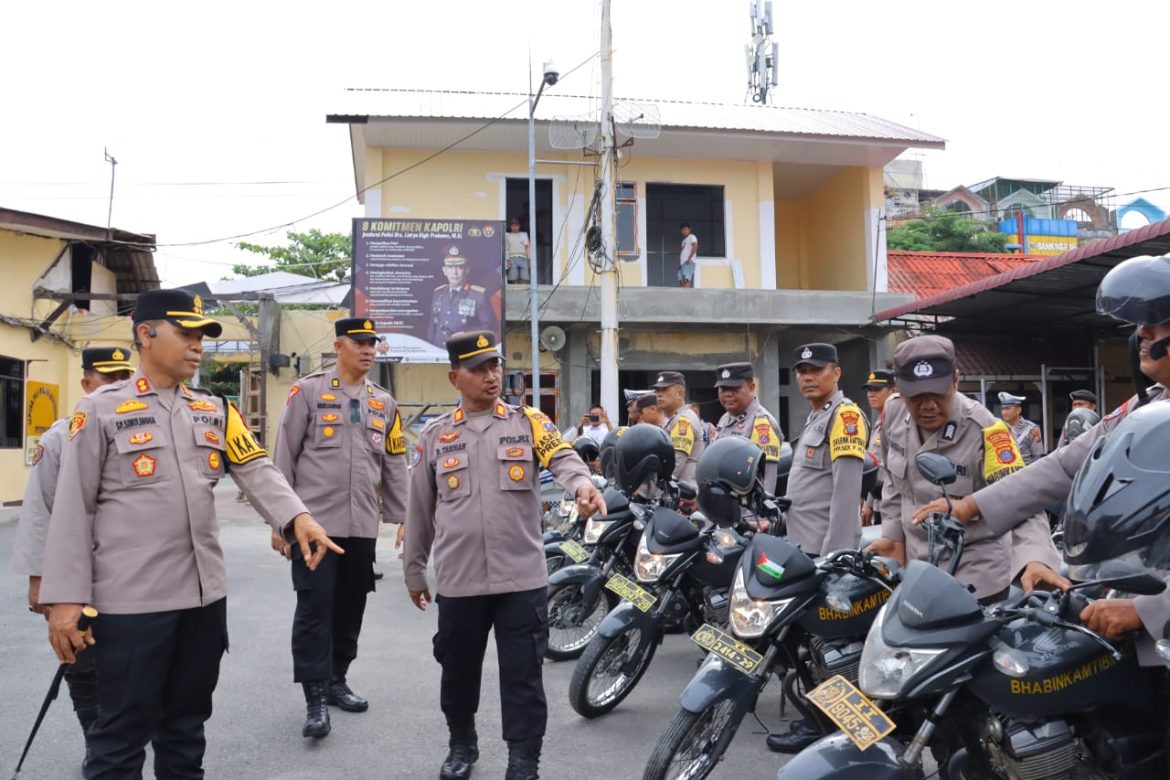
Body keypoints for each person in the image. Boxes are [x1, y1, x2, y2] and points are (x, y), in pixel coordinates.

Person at [39, 289, 340, 779]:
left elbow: (256, 468)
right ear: (145, 334)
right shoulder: (99, 412)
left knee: (186, 729)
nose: (197, 344)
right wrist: (64, 600)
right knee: (120, 734)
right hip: (131, 606)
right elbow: (71, 510)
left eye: (202, 335)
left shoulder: (215, 409)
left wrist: (296, 517)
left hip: (202, 603)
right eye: (185, 333)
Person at [914, 253, 1170, 663]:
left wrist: (1148, 611)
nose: (1141, 335)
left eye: (1154, 324)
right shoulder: (1146, 409)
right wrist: (971, 505)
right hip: (1134, 595)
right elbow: (1066, 465)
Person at [403, 330, 605, 780]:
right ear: (456, 377)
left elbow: (563, 458)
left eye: (495, 366)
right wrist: (415, 572)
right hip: (460, 579)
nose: (492, 376)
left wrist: (583, 486)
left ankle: (523, 760)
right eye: (479, 369)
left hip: (522, 579)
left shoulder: (529, 422)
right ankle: (462, 745)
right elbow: (418, 512)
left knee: (523, 677)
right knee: (457, 673)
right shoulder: (435, 437)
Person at [270, 317, 408, 738]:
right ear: (338, 346)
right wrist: (281, 521)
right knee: (314, 610)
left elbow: (395, 463)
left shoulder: (384, 402)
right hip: (313, 525)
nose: (368, 349)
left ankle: (336, 680)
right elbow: (283, 456)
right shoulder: (307, 392)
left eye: (373, 343)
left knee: (351, 607)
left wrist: (405, 517)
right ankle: (314, 698)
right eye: (359, 342)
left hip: (361, 524)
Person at [9, 347, 133, 769]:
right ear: (86, 383)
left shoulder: (139, 431)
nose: (118, 386)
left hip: (131, 575)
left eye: (124, 378)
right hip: (75, 575)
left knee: (132, 664)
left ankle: (122, 738)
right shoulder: (60, 437)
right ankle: (95, 741)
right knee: (82, 664)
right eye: (108, 378)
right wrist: (39, 579)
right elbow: (40, 509)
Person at [784, 343, 867, 557]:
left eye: (817, 370)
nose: (808, 378)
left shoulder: (845, 416)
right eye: (802, 372)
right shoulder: (817, 416)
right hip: (802, 545)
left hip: (823, 551)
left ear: (836, 373)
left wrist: (835, 556)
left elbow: (847, 495)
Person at [712, 362, 783, 494]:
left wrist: (762, 512)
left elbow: (767, 477)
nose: (727, 394)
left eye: (734, 388)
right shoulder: (725, 419)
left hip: (746, 510)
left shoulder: (761, 423)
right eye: (723, 389)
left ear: (751, 387)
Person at [429, 246, 497, 347]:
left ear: (467, 270)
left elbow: (490, 327)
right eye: (450, 267)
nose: (454, 272)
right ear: (444, 271)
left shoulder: (478, 295)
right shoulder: (438, 293)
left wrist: (467, 335)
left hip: (463, 351)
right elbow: (432, 327)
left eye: (459, 267)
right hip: (438, 350)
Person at [653, 371, 706, 486]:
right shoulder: (674, 419)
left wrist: (654, 488)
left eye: (665, 390)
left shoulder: (683, 420)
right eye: (657, 390)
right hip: (676, 489)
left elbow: (675, 462)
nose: (659, 394)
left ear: (680, 394)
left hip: (684, 495)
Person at [860, 369, 896, 526]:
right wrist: (869, 503)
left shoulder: (897, 422)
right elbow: (875, 466)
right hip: (878, 501)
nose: (871, 394)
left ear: (893, 391)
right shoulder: (880, 421)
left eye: (877, 390)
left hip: (893, 503)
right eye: (869, 390)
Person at [998, 391, 1045, 464]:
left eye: (1007, 409)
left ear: (1018, 410)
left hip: (1025, 472)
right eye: (1002, 409)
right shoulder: (998, 429)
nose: (1004, 412)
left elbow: (1037, 456)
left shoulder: (1031, 429)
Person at [504, 217, 531, 284]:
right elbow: (506, 248)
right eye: (513, 226)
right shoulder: (508, 236)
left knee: (525, 278)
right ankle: (516, 292)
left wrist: (529, 259)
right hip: (512, 258)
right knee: (514, 277)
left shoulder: (524, 235)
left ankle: (522, 292)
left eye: (516, 225)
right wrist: (507, 260)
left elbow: (528, 247)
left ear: (519, 226)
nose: (515, 227)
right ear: (510, 227)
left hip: (523, 258)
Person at [678, 223, 698, 288]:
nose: (684, 231)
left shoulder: (692, 237)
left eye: (686, 229)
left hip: (688, 262)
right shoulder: (683, 240)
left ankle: (687, 296)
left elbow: (695, 246)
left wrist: (689, 259)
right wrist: (680, 265)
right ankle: (682, 297)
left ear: (690, 230)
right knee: (681, 280)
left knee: (686, 279)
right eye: (683, 230)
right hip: (683, 263)